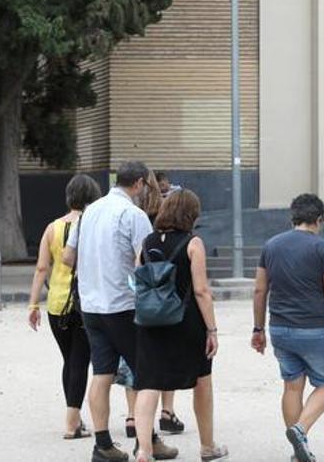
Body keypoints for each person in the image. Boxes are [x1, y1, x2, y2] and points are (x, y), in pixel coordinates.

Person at [62, 161, 176, 461]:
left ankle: (103, 445)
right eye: (145, 187)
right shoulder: (133, 214)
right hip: (123, 305)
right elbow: (146, 262)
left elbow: (67, 257)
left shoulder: (88, 213)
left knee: (101, 373)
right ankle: (147, 441)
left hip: (90, 305)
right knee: (146, 373)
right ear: (138, 183)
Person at [251, 194, 324, 462]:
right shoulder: (322, 248)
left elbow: (259, 290)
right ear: (319, 220)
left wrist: (258, 329)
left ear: (293, 217)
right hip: (314, 329)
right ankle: (300, 430)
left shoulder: (271, 246)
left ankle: (299, 450)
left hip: (280, 329)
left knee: (292, 386)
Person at [132, 190, 228, 462]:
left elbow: (137, 278)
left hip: (150, 321)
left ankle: (144, 450)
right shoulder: (193, 243)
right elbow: (201, 291)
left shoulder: (146, 242)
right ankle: (207, 447)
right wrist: (212, 330)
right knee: (202, 381)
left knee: (148, 382)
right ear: (190, 215)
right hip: (187, 323)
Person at [27, 174, 102, 439]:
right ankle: (71, 422)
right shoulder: (93, 224)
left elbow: (41, 268)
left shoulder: (52, 227)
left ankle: (76, 417)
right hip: (84, 303)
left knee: (69, 360)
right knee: (80, 362)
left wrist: (33, 303)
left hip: (56, 304)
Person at [138, 170, 183, 437]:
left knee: (141, 363)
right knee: (167, 356)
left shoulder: (135, 216)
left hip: (142, 298)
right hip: (169, 298)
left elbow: (135, 264)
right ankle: (167, 411)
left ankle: (134, 418)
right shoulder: (165, 222)